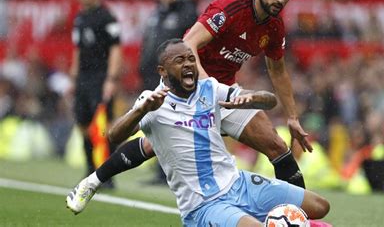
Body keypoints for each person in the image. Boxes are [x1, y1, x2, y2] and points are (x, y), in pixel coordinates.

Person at [67, 0, 311, 211]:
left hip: (223, 91)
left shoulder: (274, 26)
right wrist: (206, 89)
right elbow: (189, 43)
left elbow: (278, 69)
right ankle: (91, 182)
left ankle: (300, 217)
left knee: (277, 147)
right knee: (152, 146)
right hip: (184, 85)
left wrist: (292, 116)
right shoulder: (231, 7)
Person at [67, 39, 330, 226]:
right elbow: (112, 136)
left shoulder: (210, 88)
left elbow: (269, 100)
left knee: (320, 207)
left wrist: (251, 98)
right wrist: (140, 111)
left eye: (191, 58)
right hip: (204, 206)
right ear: (163, 70)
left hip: (238, 184)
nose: (189, 64)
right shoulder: (152, 101)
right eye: (179, 60)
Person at [139, 0, 197, 184]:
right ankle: (160, 170)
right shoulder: (157, 12)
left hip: (174, 80)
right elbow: (148, 43)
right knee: (156, 124)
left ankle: (174, 171)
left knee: (174, 124)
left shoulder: (188, 12)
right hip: (152, 76)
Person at [69, 0, 122, 181]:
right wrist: (73, 78)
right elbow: (77, 49)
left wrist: (111, 79)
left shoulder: (107, 16)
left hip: (101, 77)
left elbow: (116, 49)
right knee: (82, 123)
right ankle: (90, 168)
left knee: (103, 126)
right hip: (83, 78)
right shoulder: (80, 18)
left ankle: (107, 175)